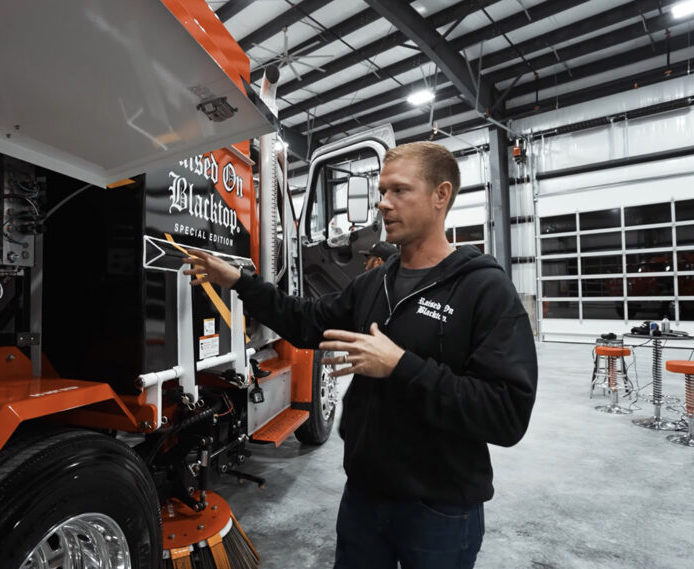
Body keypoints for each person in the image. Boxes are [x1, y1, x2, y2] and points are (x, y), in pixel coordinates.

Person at [184, 141, 538, 569]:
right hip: (364, 499)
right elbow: (305, 321)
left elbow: (506, 414)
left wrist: (401, 366)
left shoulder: (483, 289)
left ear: (441, 195)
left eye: (399, 191)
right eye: (381, 191)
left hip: (439, 510)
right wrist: (240, 281)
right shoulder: (374, 284)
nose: (383, 204)